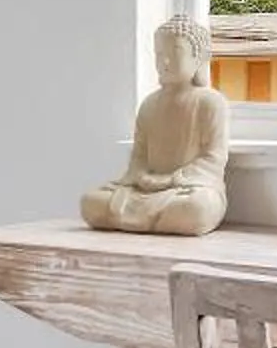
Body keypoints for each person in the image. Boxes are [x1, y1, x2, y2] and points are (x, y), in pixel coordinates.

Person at [80, 15, 230, 236]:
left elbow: (213, 158)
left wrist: (171, 179)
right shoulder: (149, 104)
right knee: (91, 202)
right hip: (144, 190)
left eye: (175, 53)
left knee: (198, 208)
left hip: (184, 189)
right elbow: (139, 155)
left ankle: (144, 219)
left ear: (199, 58)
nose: (164, 61)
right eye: (159, 54)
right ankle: (153, 220)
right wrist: (141, 176)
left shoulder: (210, 102)